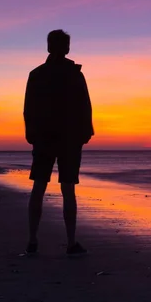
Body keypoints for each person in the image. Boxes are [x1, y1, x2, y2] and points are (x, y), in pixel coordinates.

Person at [23, 29, 94, 255]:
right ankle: (71, 242)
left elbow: (28, 108)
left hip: (46, 137)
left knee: (39, 186)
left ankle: (33, 240)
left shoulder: (37, 74)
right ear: (66, 48)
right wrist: (85, 132)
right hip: (68, 139)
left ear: (48, 47)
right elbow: (85, 105)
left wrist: (31, 132)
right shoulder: (74, 74)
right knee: (67, 189)